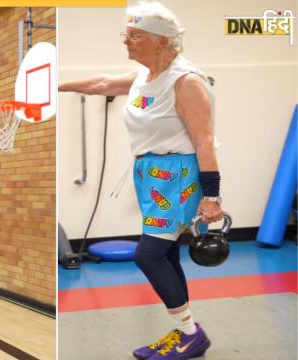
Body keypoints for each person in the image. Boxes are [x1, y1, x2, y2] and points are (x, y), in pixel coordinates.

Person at [59, 2, 224, 359]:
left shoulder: (185, 80)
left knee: (148, 256)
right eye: (126, 35)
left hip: (178, 176)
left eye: (135, 36)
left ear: (162, 41)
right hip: (152, 175)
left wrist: (211, 196)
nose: (127, 42)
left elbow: (204, 140)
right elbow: (102, 82)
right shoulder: (144, 77)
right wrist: (57, 86)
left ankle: (190, 333)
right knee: (166, 253)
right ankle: (186, 330)